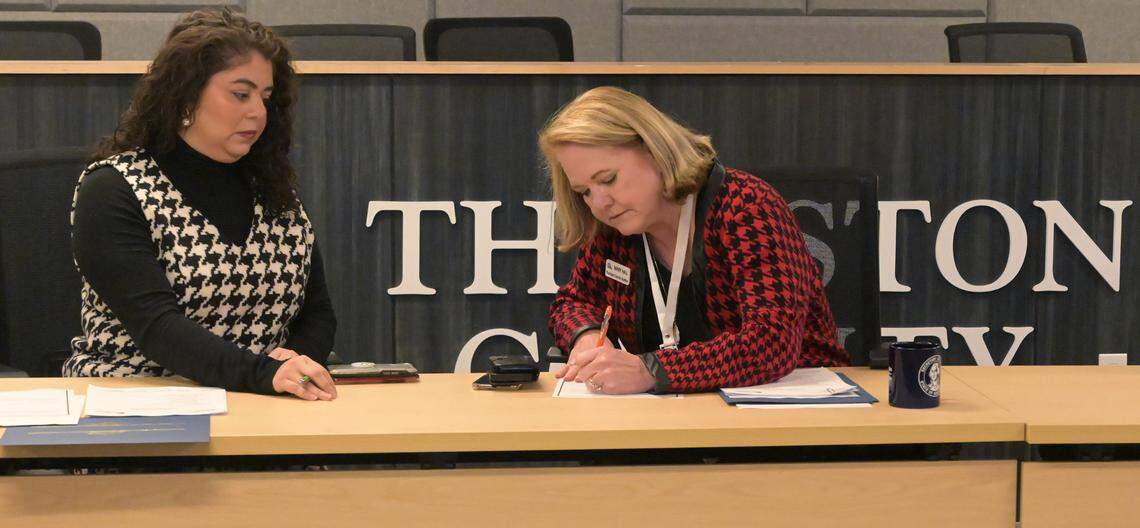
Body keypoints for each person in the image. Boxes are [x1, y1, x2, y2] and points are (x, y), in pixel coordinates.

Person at [64, 9, 338, 401]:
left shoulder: (274, 190)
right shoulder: (114, 189)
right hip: (136, 403)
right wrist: (267, 373)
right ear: (185, 96)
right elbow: (158, 328)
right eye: (240, 94)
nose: (258, 112)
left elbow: (317, 313)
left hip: (261, 399)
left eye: (265, 98)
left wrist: (296, 365)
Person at [542, 86, 849, 395]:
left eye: (608, 179)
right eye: (584, 192)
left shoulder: (745, 207)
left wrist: (652, 370)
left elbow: (770, 344)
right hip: (680, 410)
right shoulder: (615, 230)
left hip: (798, 404)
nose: (599, 203)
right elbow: (573, 302)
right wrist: (586, 337)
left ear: (655, 150)